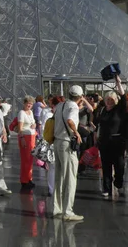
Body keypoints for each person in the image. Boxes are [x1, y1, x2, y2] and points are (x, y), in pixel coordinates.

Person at [52, 85, 84, 221]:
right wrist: (76, 133)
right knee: (70, 177)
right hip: (67, 144)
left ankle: (56, 208)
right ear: (80, 97)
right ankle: (68, 211)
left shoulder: (61, 105)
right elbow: (70, 120)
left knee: (59, 177)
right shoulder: (74, 107)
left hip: (57, 141)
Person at [18, 96, 37, 189]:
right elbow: (20, 128)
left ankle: (29, 178)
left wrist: (35, 124)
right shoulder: (21, 113)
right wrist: (22, 138)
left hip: (32, 136)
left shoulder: (31, 112)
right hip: (25, 136)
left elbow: (33, 123)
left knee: (30, 160)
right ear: (24, 103)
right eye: (28, 103)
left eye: (31, 103)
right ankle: (24, 180)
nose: (29, 105)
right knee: (25, 159)